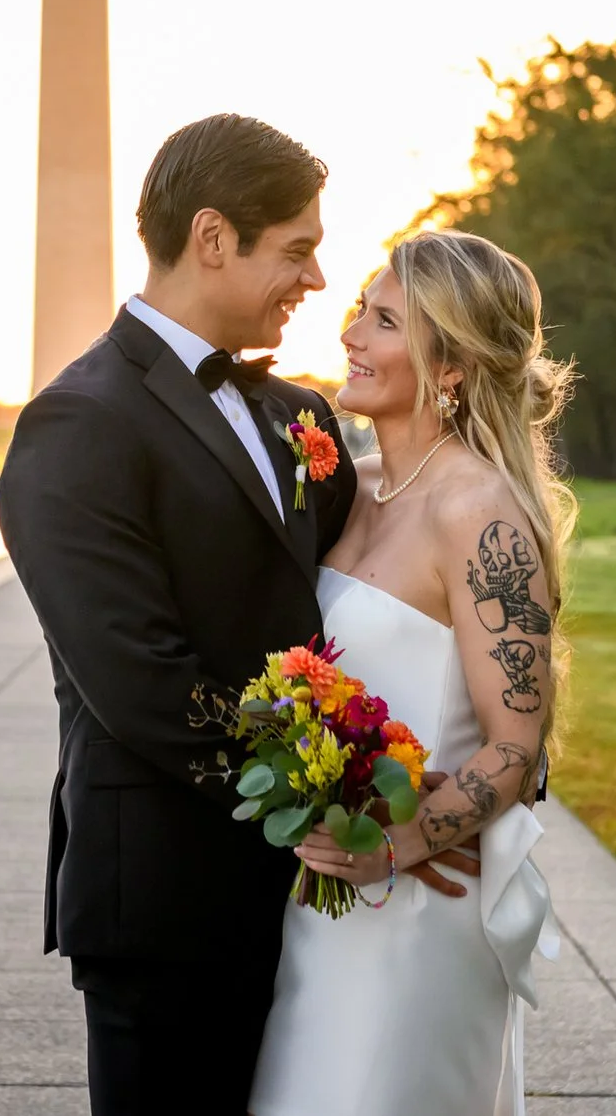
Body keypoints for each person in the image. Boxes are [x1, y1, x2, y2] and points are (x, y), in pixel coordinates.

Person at [0, 115, 476, 1116]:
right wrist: (354, 793)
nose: (313, 279)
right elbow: (142, 679)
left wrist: (492, 754)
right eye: (295, 249)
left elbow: (393, 584)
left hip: (321, 903)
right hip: (169, 900)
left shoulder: (298, 414)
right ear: (212, 237)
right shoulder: (76, 423)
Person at [251, 229, 572, 1116]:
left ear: (453, 365)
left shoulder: (480, 512)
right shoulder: (348, 488)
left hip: (417, 912)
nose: (351, 330)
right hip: (316, 901)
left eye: (384, 318)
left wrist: (397, 843)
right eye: (361, 306)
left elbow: (516, 742)